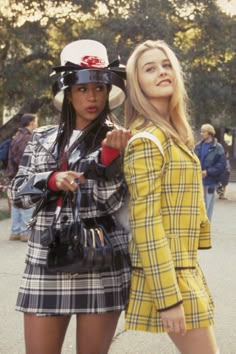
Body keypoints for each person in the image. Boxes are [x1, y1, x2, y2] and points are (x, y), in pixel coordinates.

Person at [8, 39, 131, 354]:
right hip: (46, 258)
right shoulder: (43, 137)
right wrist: (50, 179)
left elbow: (114, 204)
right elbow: (16, 193)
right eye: (82, 89)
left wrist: (107, 159)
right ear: (67, 93)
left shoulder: (118, 137)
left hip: (101, 258)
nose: (92, 97)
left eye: (100, 88)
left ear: (108, 91)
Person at [123, 40, 219, 354]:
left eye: (166, 65)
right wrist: (168, 299)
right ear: (136, 83)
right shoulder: (147, 140)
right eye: (150, 68)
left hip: (184, 268)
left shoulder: (170, 133)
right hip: (171, 277)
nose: (162, 72)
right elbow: (146, 225)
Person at [7, 113, 38, 242]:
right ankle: (25, 233)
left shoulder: (17, 136)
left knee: (16, 204)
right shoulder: (27, 138)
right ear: (31, 123)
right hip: (23, 174)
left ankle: (15, 231)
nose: (37, 124)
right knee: (26, 203)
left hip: (13, 174)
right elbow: (25, 159)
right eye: (36, 121)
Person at [194, 124, 226, 220]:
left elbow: (221, 165)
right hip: (198, 181)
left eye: (203, 131)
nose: (201, 133)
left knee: (208, 207)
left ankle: (206, 228)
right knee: (198, 206)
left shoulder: (218, 148)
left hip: (210, 182)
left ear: (210, 133)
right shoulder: (198, 146)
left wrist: (207, 172)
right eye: (201, 131)